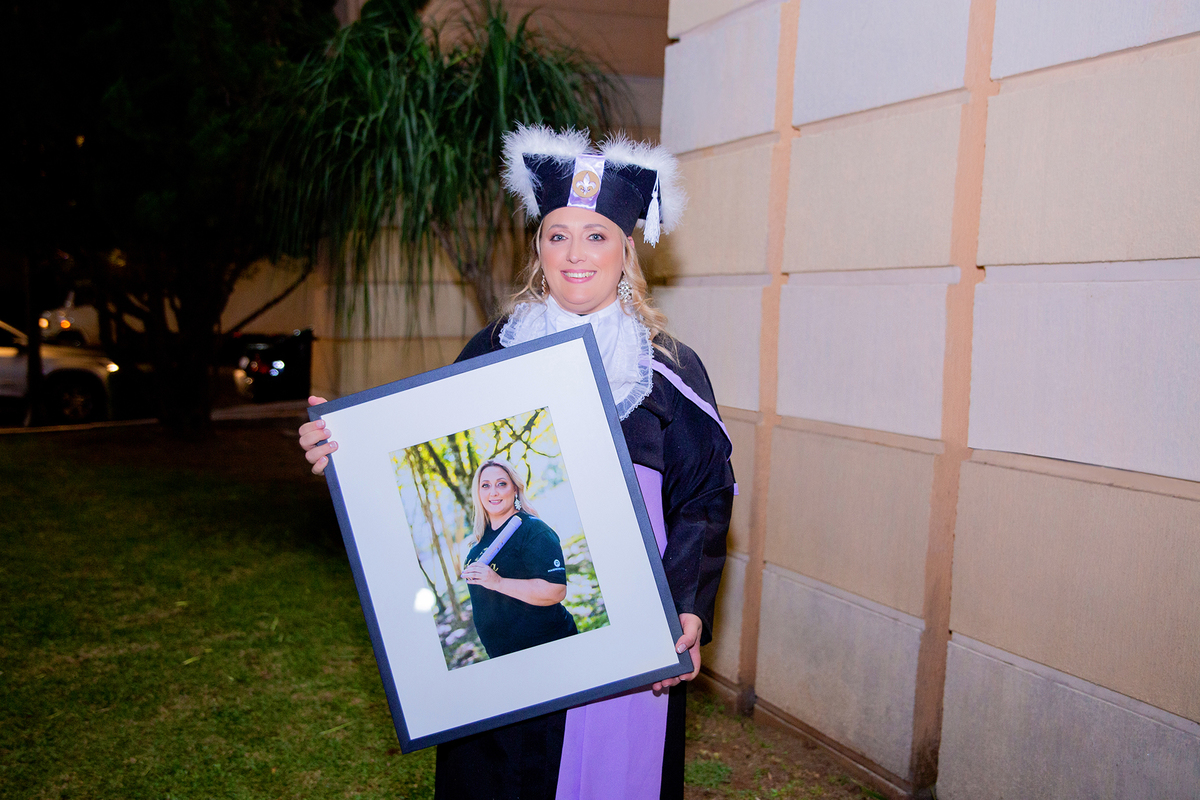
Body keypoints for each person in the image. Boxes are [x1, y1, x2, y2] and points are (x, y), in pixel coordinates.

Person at [298, 124, 735, 800]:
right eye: (558, 234)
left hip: (626, 645)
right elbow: (427, 463)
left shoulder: (668, 372)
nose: (575, 254)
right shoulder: (493, 349)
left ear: (627, 248)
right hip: (506, 657)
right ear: (538, 247)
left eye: (596, 235)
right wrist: (346, 453)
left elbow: (704, 501)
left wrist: (687, 608)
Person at [461, 458, 578, 659]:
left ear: (515, 489)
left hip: (550, 649)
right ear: (478, 493)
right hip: (506, 660)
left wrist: (497, 582)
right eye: (485, 485)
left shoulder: (533, 529)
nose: (493, 492)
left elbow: (556, 591)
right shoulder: (477, 546)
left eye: (501, 484)